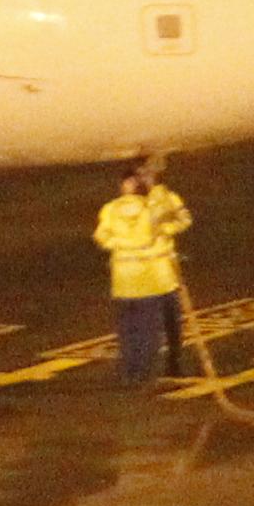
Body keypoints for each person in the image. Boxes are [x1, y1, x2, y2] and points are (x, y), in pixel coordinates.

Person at [94, 153, 193, 386]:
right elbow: (178, 219)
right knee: (155, 327)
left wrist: (121, 245)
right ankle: (152, 369)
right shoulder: (154, 204)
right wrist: (162, 230)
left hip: (135, 279)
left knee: (138, 329)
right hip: (155, 277)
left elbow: (102, 237)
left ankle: (140, 370)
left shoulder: (116, 208)